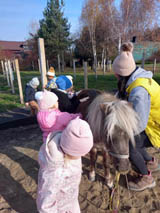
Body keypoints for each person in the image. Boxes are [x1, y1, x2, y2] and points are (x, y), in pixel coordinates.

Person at [112, 41, 160, 191]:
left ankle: (146, 177)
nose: (114, 76)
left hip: (155, 126)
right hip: (153, 121)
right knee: (136, 143)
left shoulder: (139, 92)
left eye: (115, 74)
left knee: (131, 146)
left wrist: (123, 133)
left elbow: (140, 124)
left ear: (120, 74)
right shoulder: (136, 77)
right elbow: (123, 93)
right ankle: (151, 161)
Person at [36, 117, 93, 213]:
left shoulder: (68, 149)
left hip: (71, 200)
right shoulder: (55, 172)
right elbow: (46, 204)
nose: (83, 155)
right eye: (80, 153)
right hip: (59, 208)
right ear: (70, 151)